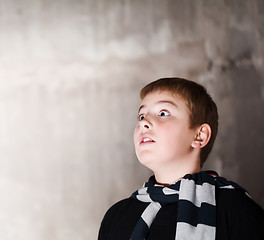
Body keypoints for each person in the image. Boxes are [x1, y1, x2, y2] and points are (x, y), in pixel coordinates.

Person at [98, 77, 264, 240]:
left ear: (199, 136)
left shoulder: (234, 209)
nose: (144, 123)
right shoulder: (116, 216)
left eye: (163, 113)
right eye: (141, 116)